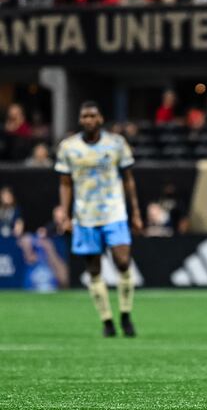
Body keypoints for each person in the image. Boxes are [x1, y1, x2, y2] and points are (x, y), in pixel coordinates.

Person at [55, 101, 143, 337]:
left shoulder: (116, 143)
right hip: (84, 216)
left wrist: (135, 212)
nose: (89, 120)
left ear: (101, 118)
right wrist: (64, 214)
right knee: (93, 270)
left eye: (93, 115)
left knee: (122, 261)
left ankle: (125, 314)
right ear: (80, 119)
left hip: (114, 211)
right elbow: (65, 183)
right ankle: (106, 321)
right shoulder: (68, 148)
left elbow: (128, 178)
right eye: (84, 116)